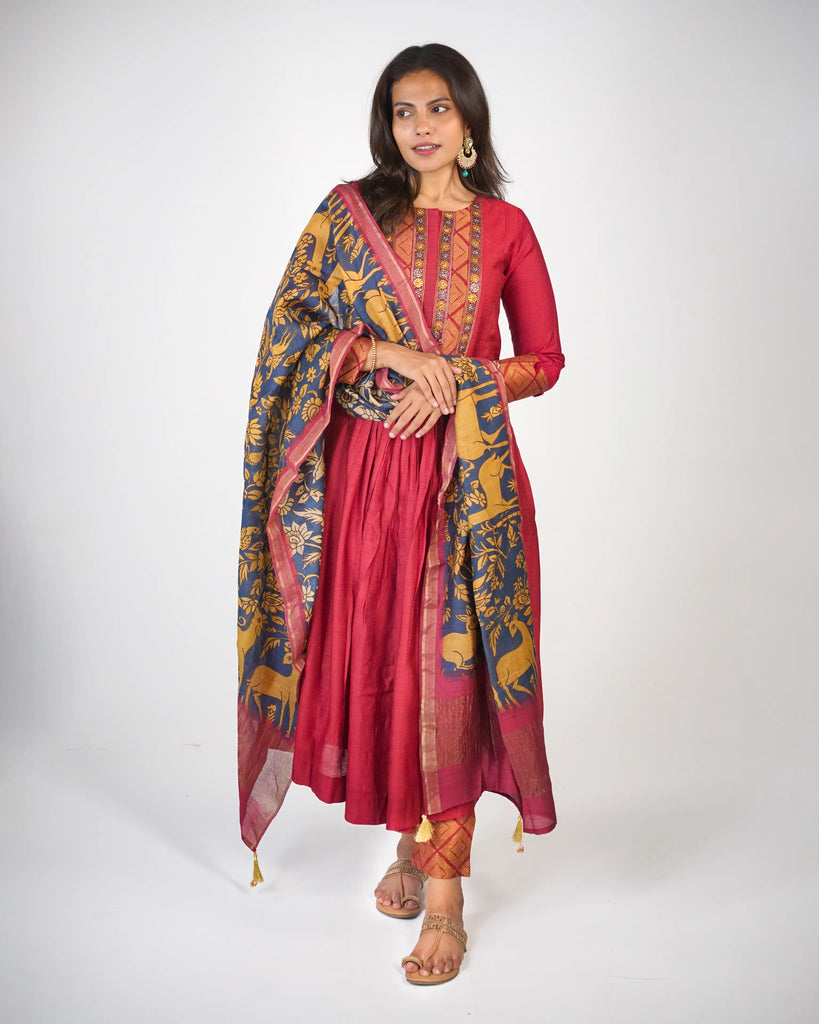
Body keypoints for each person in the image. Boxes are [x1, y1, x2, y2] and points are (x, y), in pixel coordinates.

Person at [237, 42, 564, 985]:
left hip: (466, 480)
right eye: (401, 111)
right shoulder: (348, 215)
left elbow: (542, 360)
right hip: (364, 476)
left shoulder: (506, 227)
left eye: (436, 110)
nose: (417, 127)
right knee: (386, 660)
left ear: (468, 123)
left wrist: (455, 377)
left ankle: (449, 896)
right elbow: (291, 330)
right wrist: (385, 356)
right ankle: (412, 840)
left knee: (449, 671)